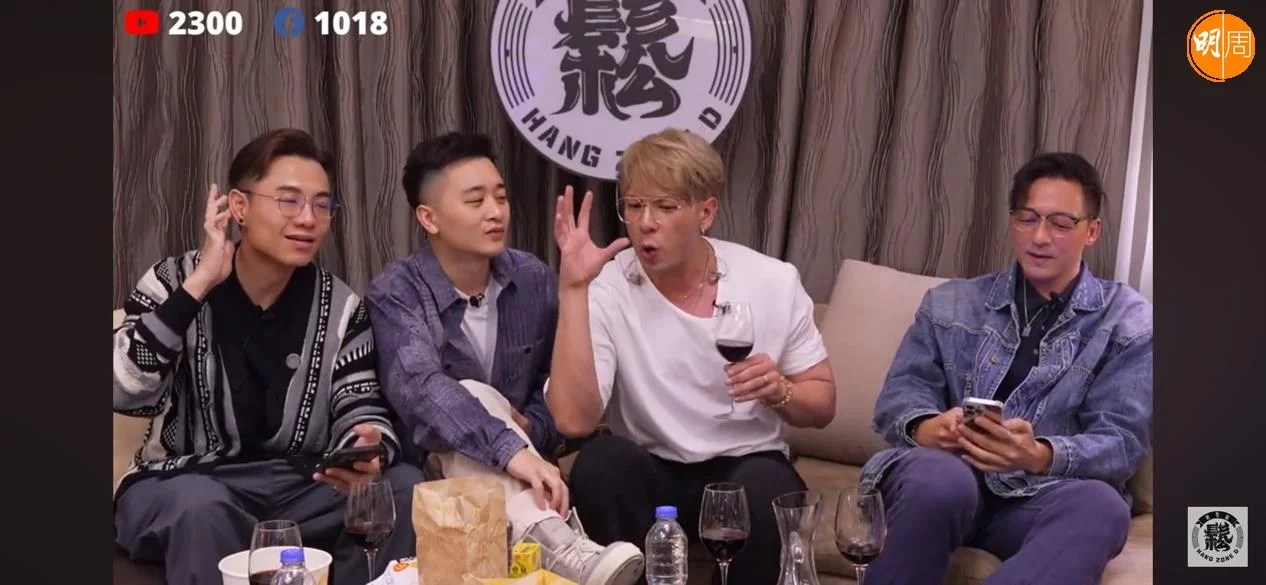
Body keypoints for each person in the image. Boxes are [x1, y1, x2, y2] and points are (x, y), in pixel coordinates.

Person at [112, 129, 422, 585]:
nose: (308, 219)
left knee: (404, 487)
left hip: (303, 486)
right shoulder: (172, 281)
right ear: (239, 207)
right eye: (289, 201)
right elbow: (122, 388)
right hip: (183, 482)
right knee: (202, 508)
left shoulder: (341, 305)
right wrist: (198, 285)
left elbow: (360, 402)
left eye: (322, 205)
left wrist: (365, 445)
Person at [546, 128, 837, 585]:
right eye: (634, 205)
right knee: (601, 463)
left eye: (665, 207)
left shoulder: (771, 281)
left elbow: (822, 404)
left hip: (747, 463)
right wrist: (573, 289)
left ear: (706, 211)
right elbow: (573, 420)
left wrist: (781, 390)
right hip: (650, 466)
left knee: (767, 491)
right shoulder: (607, 286)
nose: (645, 222)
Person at [859, 152, 1153, 585]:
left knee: (1102, 506)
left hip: (1036, 498)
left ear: (1092, 231)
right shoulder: (950, 303)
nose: (1040, 236)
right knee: (941, 478)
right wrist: (928, 427)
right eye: (1027, 218)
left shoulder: (1129, 321)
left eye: (1060, 223)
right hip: (944, 483)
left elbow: (1121, 443)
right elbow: (900, 395)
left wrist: (1039, 455)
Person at [365, 131, 644, 585]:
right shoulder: (397, 291)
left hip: (524, 466)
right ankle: (564, 547)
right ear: (429, 218)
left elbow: (555, 388)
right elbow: (420, 389)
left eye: (500, 197)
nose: (496, 212)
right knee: (470, 392)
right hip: (435, 466)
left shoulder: (531, 279)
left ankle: (559, 547)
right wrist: (508, 447)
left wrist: (528, 431)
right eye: (475, 201)